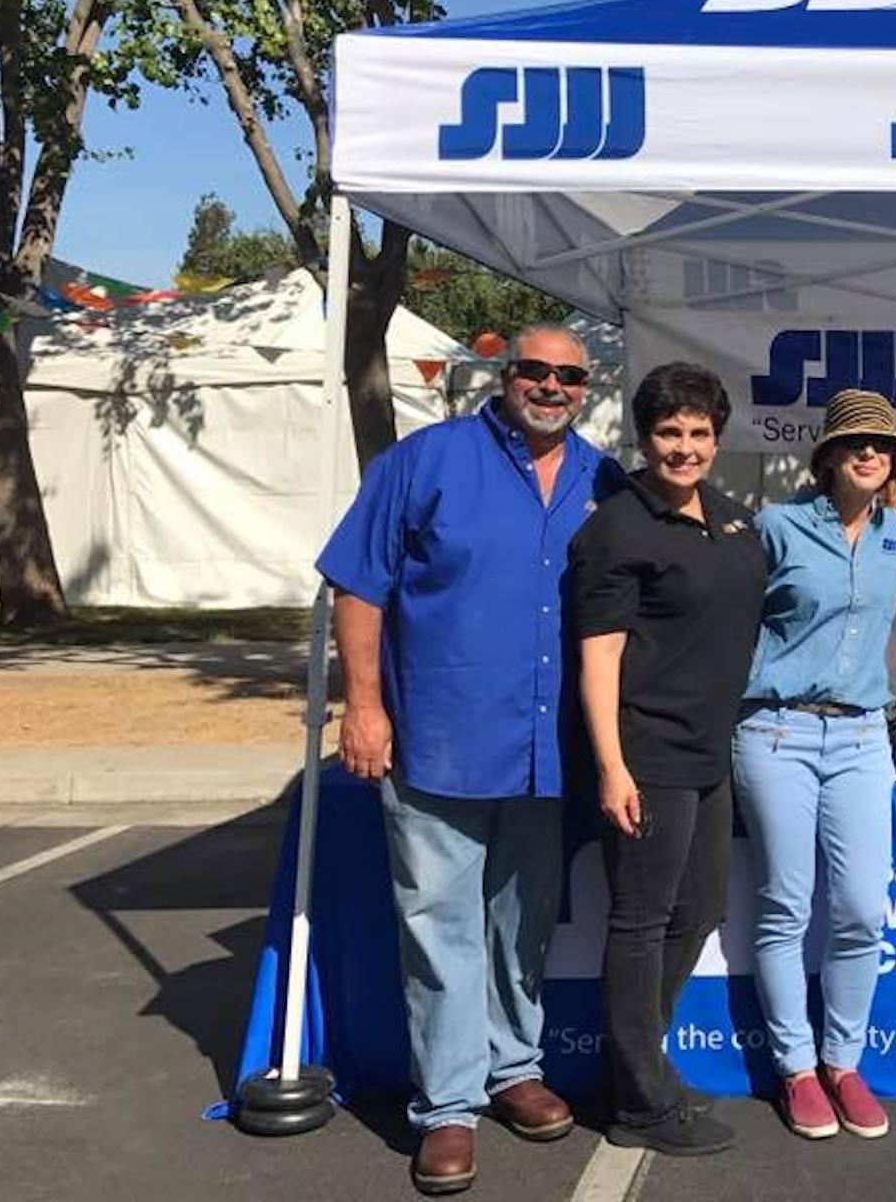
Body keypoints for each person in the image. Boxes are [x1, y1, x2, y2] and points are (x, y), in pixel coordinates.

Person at [319, 324, 621, 1196]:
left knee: (521, 926)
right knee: (440, 930)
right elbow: (358, 584)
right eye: (537, 370)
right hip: (439, 742)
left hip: (544, 751)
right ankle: (448, 1109)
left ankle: (514, 1068)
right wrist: (365, 706)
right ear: (506, 374)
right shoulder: (427, 460)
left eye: (570, 375)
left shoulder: (603, 477)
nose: (553, 386)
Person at [569, 363, 769, 1156]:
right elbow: (599, 657)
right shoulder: (618, 528)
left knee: (701, 911)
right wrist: (612, 766)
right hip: (646, 752)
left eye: (698, 434)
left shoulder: (730, 518)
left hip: (709, 752)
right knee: (643, 922)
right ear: (644, 438)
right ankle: (641, 1104)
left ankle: (638, 1064)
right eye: (668, 433)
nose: (684, 448)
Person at [734, 390, 896, 1142]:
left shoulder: (895, 536)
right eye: (856, 445)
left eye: (882, 446)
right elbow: (732, 615)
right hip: (776, 731)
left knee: (861, 909)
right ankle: (797, 1068)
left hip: (860, 738)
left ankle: (844, 1062)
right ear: (828, 457)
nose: (870, 454)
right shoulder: (777, 526)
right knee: (786, 904)